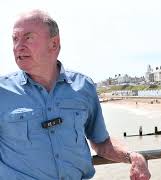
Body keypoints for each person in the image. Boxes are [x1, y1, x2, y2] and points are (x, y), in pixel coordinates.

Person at [0, 10, 150, 180]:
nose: (18, 46)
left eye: (28, 37)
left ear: (54, 44)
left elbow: (101, 142)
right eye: (15, 38)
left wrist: (132, 157)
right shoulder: (2, 91)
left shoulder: (84, 86)